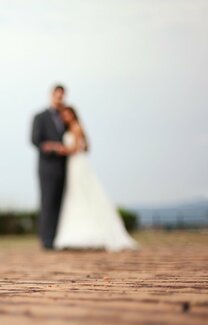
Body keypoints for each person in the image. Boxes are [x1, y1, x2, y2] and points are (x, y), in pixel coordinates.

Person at [50, 106, 137, 251]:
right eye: (63, 115)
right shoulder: (71, 129)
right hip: (73, 165)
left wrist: (57, 148)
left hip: (78, 164)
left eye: (68, 115)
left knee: (82, 195)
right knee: (75, 196)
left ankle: (89, 234)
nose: (65, 117)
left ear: (73, 115)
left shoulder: (76, 128)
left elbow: (77, 148)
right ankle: (76, 234)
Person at [31, 85, 67, 249]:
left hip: (64, 167)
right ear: (51, 95)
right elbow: (35, 140)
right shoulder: (40, 117)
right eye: (57, 96)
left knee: (61, 203)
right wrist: (53, 147)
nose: (60, 99)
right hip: (47, 167)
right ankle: (46, 240)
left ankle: (57, 237)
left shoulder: (65, 116)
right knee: (47, 202)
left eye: (62, 96)